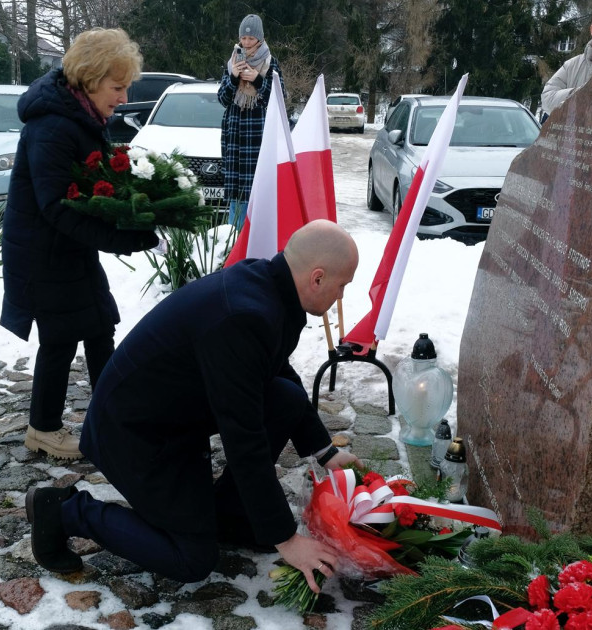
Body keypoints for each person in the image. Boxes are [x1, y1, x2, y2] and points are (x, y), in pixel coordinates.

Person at [25, 220, 361, 592]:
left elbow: (275, 369)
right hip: (134, 434)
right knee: (192, 558)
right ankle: (63, 510)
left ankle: (232, 517)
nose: (341, 296)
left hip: (175, 419)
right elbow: (243, 435)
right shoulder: (244, 314)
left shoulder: (269, 289)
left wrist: (324, 450)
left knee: (285, 397)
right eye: (342, 286)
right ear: (317, 278)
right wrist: (286, 539)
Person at [0, 28, 160, 460]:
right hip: (44, 254)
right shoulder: (53, 125)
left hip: (65, 251)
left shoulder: (79, 117)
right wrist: (118, 237)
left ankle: (113, 420)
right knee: (60, 338)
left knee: (97, 326)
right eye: (118, 86)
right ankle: (44, 429)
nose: (124, 97)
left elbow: (90, 188)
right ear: (90, 79)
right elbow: (57, 206)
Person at [219, 14, 283, 230]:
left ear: (260, 39)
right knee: (236, 194)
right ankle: (233, 241)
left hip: (258, 135)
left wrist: (257, 79)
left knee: (257, 191)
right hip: (234, 136)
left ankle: (253, 238)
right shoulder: (232, 62)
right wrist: (233, 78)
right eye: (242, 38)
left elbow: (279, 99)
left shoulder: (271, 63)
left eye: (250, 39)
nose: (246, 43)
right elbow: (222, 98)